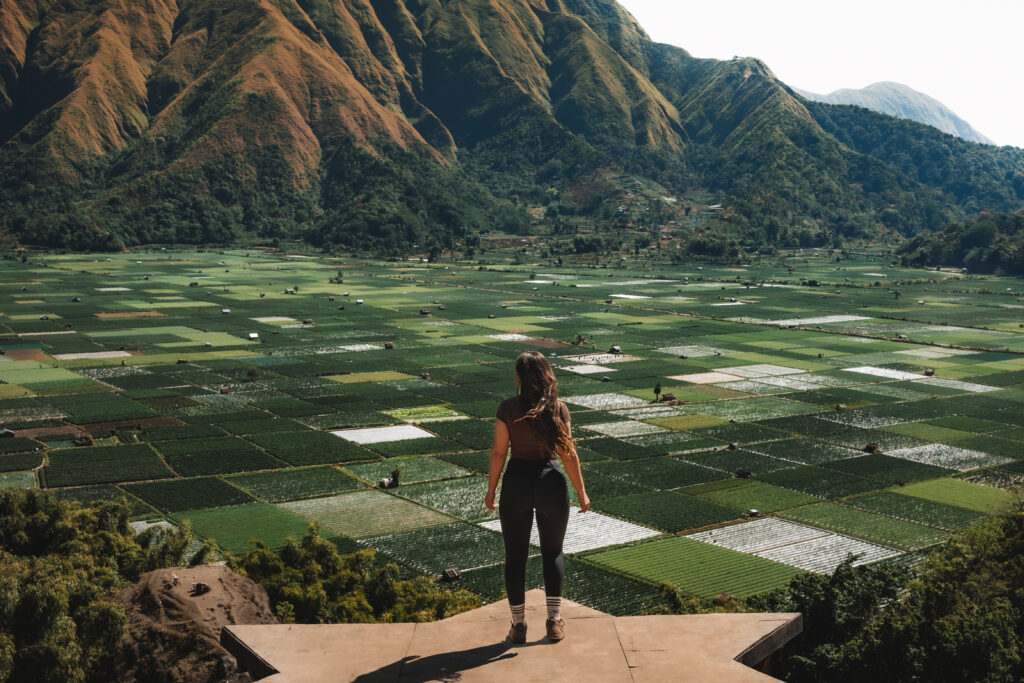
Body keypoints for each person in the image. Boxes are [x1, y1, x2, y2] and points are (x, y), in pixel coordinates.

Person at [485, 351, 589, 644]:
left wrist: (491, 490)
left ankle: (518, 626)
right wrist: (581, 492)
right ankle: (554, 622)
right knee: (553, 552)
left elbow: (498, 452)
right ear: (546, 375)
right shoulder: (559, 409)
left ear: (518, 378)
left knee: (515, 556)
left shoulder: (506, 408)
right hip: (551, 484)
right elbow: (569, 454)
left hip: (516, 483)